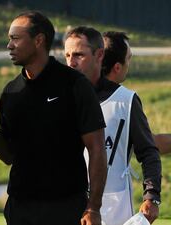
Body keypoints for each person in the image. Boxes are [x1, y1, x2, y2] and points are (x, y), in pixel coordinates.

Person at [0, 11, 107, 225]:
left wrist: (93, 207)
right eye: (10, 38)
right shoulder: (11, 92)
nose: (9, 45)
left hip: (66, 207)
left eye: (15, 38)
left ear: (39, 40)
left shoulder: (74, 84)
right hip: (20, 208)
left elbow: (96, 148)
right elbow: (9, 155)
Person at [64, 27, 162, 225]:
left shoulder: (127, 100)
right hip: (67, 202)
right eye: (67, 55)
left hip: (114, 206)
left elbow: (149, 151)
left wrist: (151, 195)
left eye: (78, 55)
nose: (71, 62)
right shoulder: (61, 96)